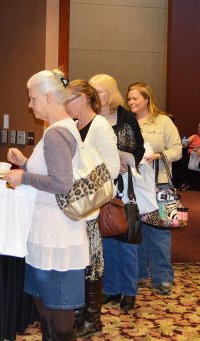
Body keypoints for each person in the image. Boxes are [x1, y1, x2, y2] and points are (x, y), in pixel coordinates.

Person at [3, 69, 89, 341]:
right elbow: (55, 172)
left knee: (59, 314)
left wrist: (23, 176)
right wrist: (26, 163)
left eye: (33, 98)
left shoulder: (55, 133)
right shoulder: (61, 128)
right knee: (49, 312)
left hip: (56, 233)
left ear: (49, 96)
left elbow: (62, 183)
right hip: (51, 229)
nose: (30, 105)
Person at [65, 79, 120, 337]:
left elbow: (112, 168)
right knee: (78, 260)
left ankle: (93, 318)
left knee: (92, 261)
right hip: (77, 204)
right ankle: (78, 311)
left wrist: (86, 183)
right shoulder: (74, 126)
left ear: (84, 99)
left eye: (69, 100)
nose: (66, 105)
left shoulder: (100, 127)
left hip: (93, 203)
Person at [89, 74, 145, 312]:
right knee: (106, 239)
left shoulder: (126, 118)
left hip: (125, 188)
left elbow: (139, 149)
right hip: (101, 186)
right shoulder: (90, 119)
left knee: (127, 242)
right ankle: (111, 289)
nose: (94, 95)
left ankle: (129, 292)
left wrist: (125, 160)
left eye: (99, 91)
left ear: (110, 93)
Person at [127, 82, 182, 295]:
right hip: (136, 184)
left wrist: (159, 156)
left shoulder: (163, 121)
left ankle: (163, 278)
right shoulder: (128, 122)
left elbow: (177, 149)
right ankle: (140, 274)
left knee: (161, 231)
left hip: (161, 183)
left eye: (135, 98)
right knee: (137, 230)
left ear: (147, 99)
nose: (131, 102)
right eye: (129, 98)